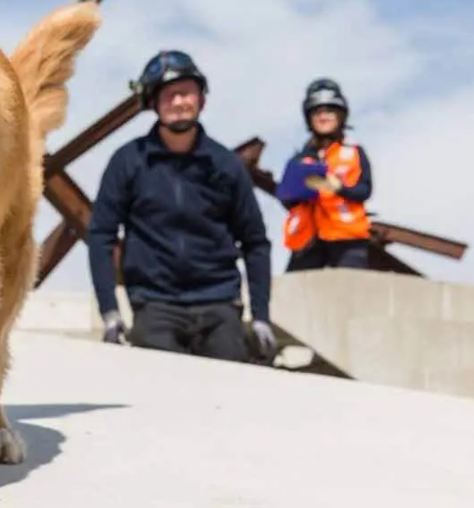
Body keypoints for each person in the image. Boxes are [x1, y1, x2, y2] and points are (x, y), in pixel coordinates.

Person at [85, 49, 276, 364]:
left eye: (186, 93)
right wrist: (109, 311)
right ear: (152, 103)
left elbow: (255, 242)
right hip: (154, 306)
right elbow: (101, 235)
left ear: (201, 98)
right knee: (159, 401)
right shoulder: (128, 162)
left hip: (220, 304)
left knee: (233, 398)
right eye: (168, 95)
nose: (178, 102)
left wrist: (261, 316)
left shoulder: (226, 165)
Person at [278, 78, 373, 271]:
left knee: (350, 293)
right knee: (292, 294)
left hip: (347, 239)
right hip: (308, 241)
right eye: (317, 112)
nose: (323, 117)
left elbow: (365, 190)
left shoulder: (354, 152)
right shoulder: (299, 159)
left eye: (329, 111)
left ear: (340, 116)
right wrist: (303, 189)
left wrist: (338, 188)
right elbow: (285, 197)